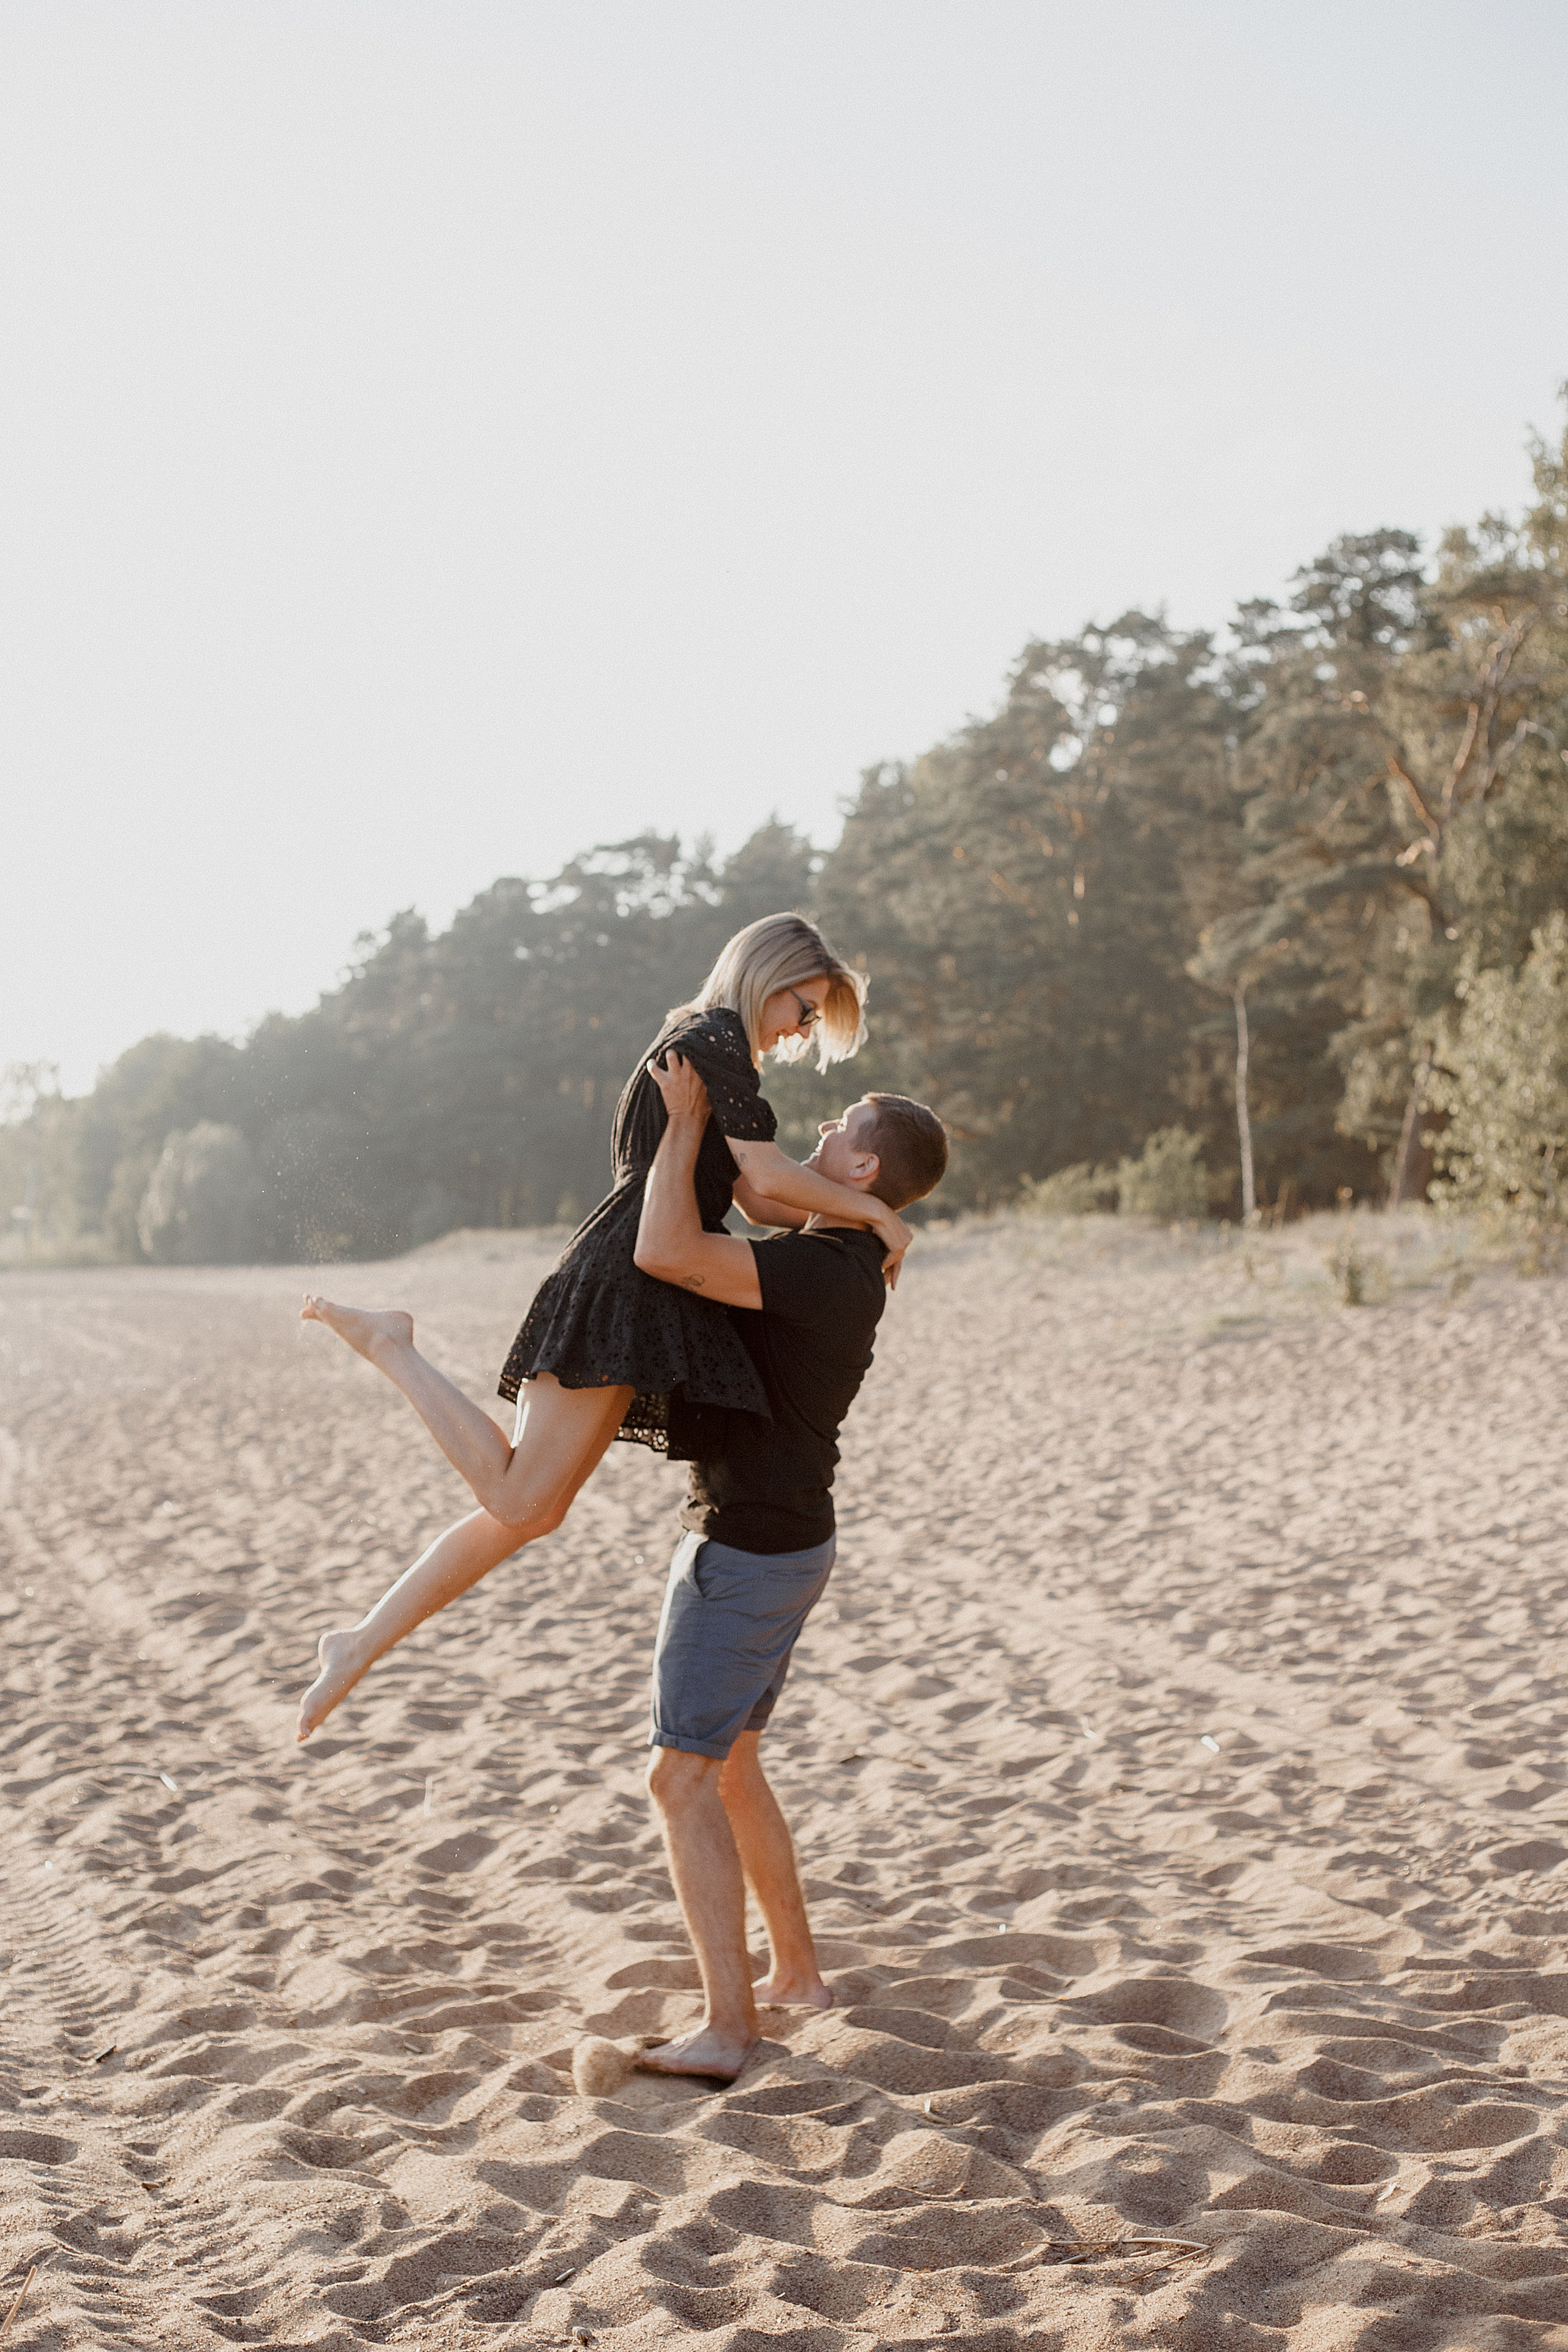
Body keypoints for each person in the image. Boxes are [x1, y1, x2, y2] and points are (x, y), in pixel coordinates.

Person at [295, 913, 913, 1743]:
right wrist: (878, 1211)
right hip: (624, 1275)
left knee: (532, 1510)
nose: (801, 1031)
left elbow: (761, 1199)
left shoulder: (713, 1044)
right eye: (804, 1010)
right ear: (773, 973)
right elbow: (766, 1178)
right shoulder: (714, 1036)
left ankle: (358, 1641)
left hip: (641, 1277)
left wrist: (860, 1219)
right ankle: (391, 1345)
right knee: (520, 1494)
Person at [630, 1048, 949, 2081]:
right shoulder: (847, 1253)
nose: (816, 1133)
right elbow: (765, 1182)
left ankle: (728, 2030)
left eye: (838, 1127)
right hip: (790, 1539)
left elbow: (669, 1251)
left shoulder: (822, 1269)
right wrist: (889, 1221)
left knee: (679, 1778)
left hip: (750, 1550)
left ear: (861, 1169)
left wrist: (684, 1124)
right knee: (733, 1766)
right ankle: (798, 1976)